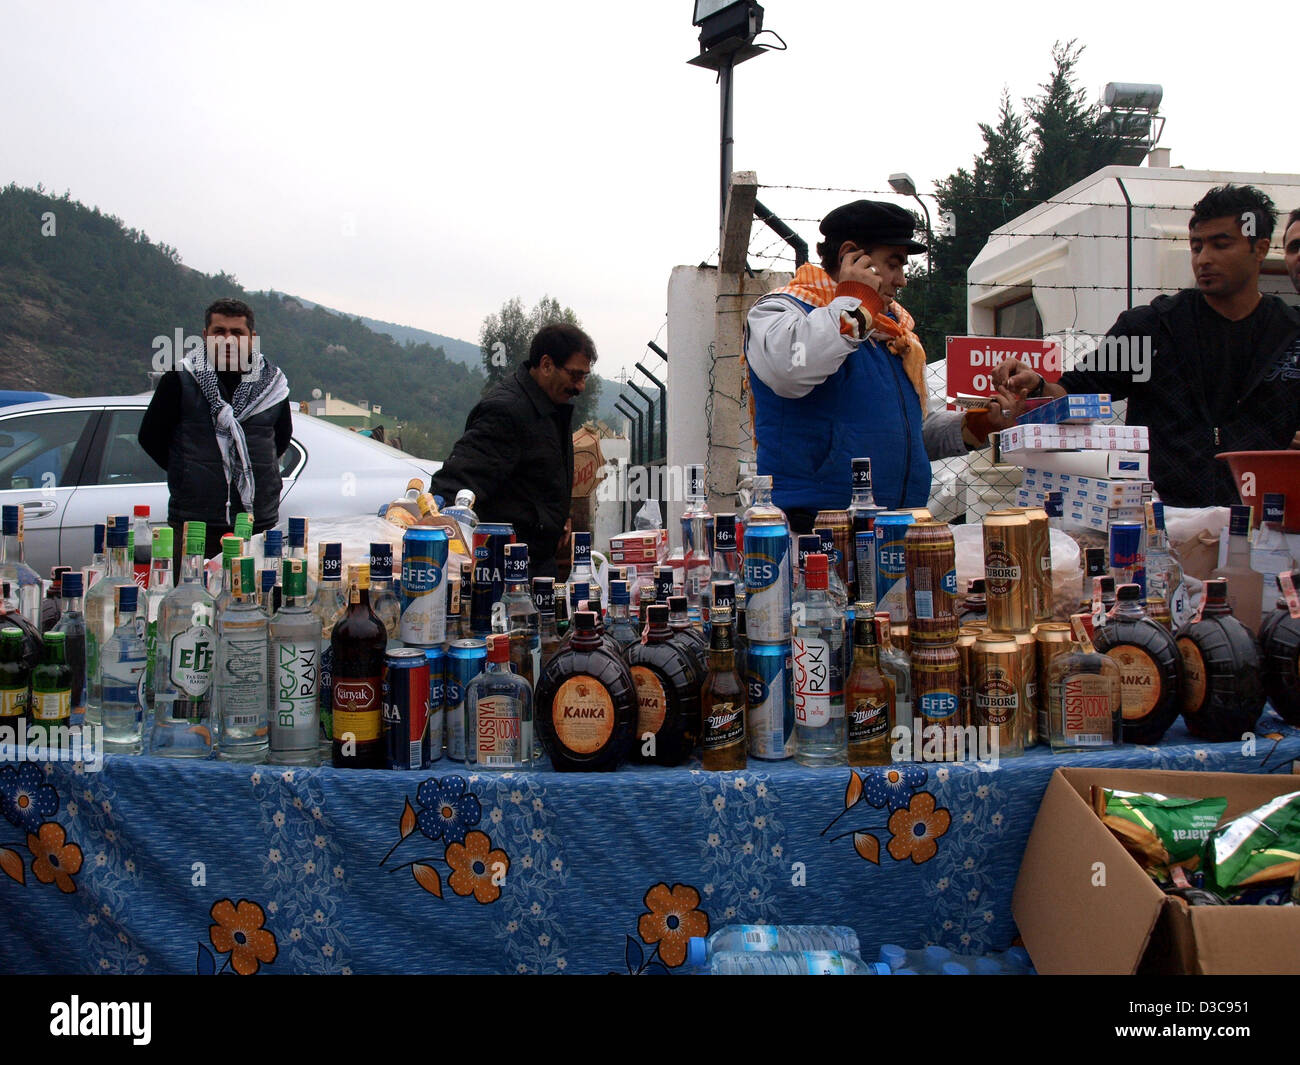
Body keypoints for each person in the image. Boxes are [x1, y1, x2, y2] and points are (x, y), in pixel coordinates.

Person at [993, 185, 1300, 508]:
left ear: (1260, 248)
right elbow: (1076, 391)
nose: (1205, 258)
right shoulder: (1153, 328)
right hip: (1161, 526)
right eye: (1197, 246)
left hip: (1271, 527)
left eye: (1221, 245)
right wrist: (1038, 385)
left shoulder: (1290, 335)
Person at [743, 200, 1023, 530]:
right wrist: (854, 301)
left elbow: (903, 436)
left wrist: (975, 425)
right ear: (851, 256)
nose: (902, 279)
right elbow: (792, 370)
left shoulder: (889, 332)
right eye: (893, 264)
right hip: (815, 533)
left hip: (894, 529)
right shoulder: (780, 313)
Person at [429, 323, 595, 578]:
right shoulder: (507, 412)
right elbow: (454, 486)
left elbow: (539, 474)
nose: (580, 387)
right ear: (547, 365)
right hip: (504, 574)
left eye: (585, 376)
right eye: (575, 375)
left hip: (535, 565)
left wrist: (561, 514)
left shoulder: (549, 407)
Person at [139, 298, 292, 568]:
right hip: (196, 521)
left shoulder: (273, 385)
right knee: (193, 601)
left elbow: (279, 441)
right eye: (220, 332)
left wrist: (241, 468)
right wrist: (191, 472)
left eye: (237, 333)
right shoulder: (180, 379)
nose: (228, 340)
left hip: (258, 519)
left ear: (252, 338)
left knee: (257, 601)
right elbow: (151, 438)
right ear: (206, 336)